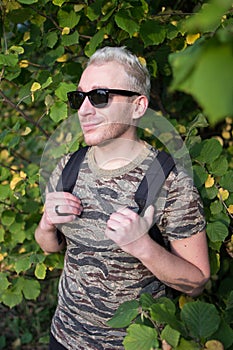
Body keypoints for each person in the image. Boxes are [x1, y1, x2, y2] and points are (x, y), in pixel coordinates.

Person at [35, 46, 210, 350]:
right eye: (79, 97)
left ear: (138, 107)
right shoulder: (68, 166)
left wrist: (142, 246)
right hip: (63, 338)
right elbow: (49, 247)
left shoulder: (169, 180)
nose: (84, 110)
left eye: (100, 96)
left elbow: (196, 283)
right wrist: (47, 224)